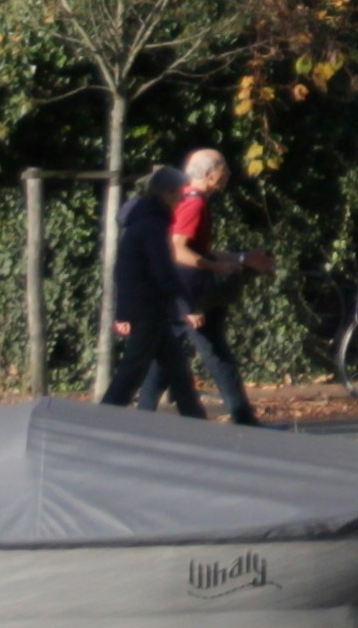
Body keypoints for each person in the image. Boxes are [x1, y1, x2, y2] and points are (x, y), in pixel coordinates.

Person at [166, 149, 265, 423]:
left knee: (161, 358)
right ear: (210, 175)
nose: (229, 173)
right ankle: (244, 419)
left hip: (179, 293)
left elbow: (200, 251)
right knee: (216, 355)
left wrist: (243, 259)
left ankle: (137, 416)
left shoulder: (187, 198)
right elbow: (179, 252)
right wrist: (214, 270)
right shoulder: (194, 204)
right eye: (224, 168)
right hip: (188, 293)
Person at [102, 164, 206, 414]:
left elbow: (124, 272)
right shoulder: (152, 224)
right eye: (180, 192)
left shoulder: (144, 220)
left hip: (149, 308)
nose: (183, 197)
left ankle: (195, 418)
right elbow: (162, 271)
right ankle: (102, 418)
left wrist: (123, 310)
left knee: (177, 370)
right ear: (167, 193)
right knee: (131, 372)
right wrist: (186, 307)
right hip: (147, 309)